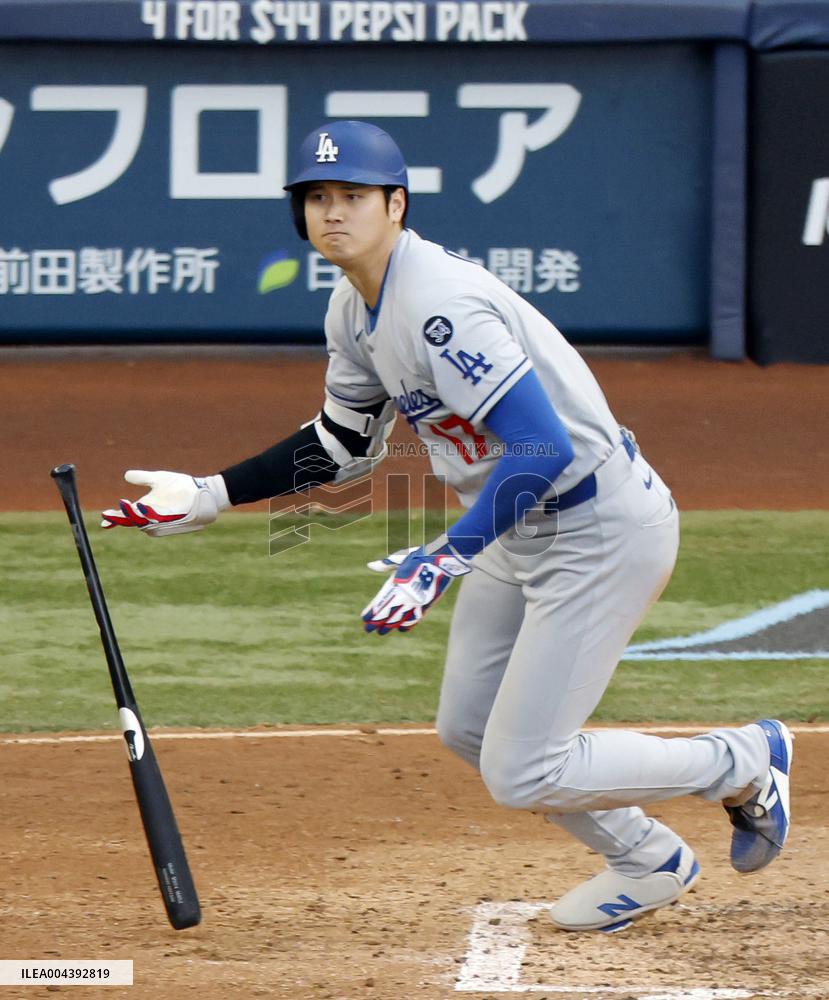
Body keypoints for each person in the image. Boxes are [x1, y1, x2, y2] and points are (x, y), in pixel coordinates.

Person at [102, 120, 793, 933]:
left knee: (521, 770)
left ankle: (745, 761)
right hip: (511, 523)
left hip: (595, 528)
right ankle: (646, 859)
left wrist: (443, 557)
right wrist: (213, 493)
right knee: (468, 728)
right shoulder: (352, 307)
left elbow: (542, 446)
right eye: (317, 198)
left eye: (353, 196)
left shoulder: (439, 306)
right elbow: (343, 446)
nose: (332, 213)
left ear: (395, 205)